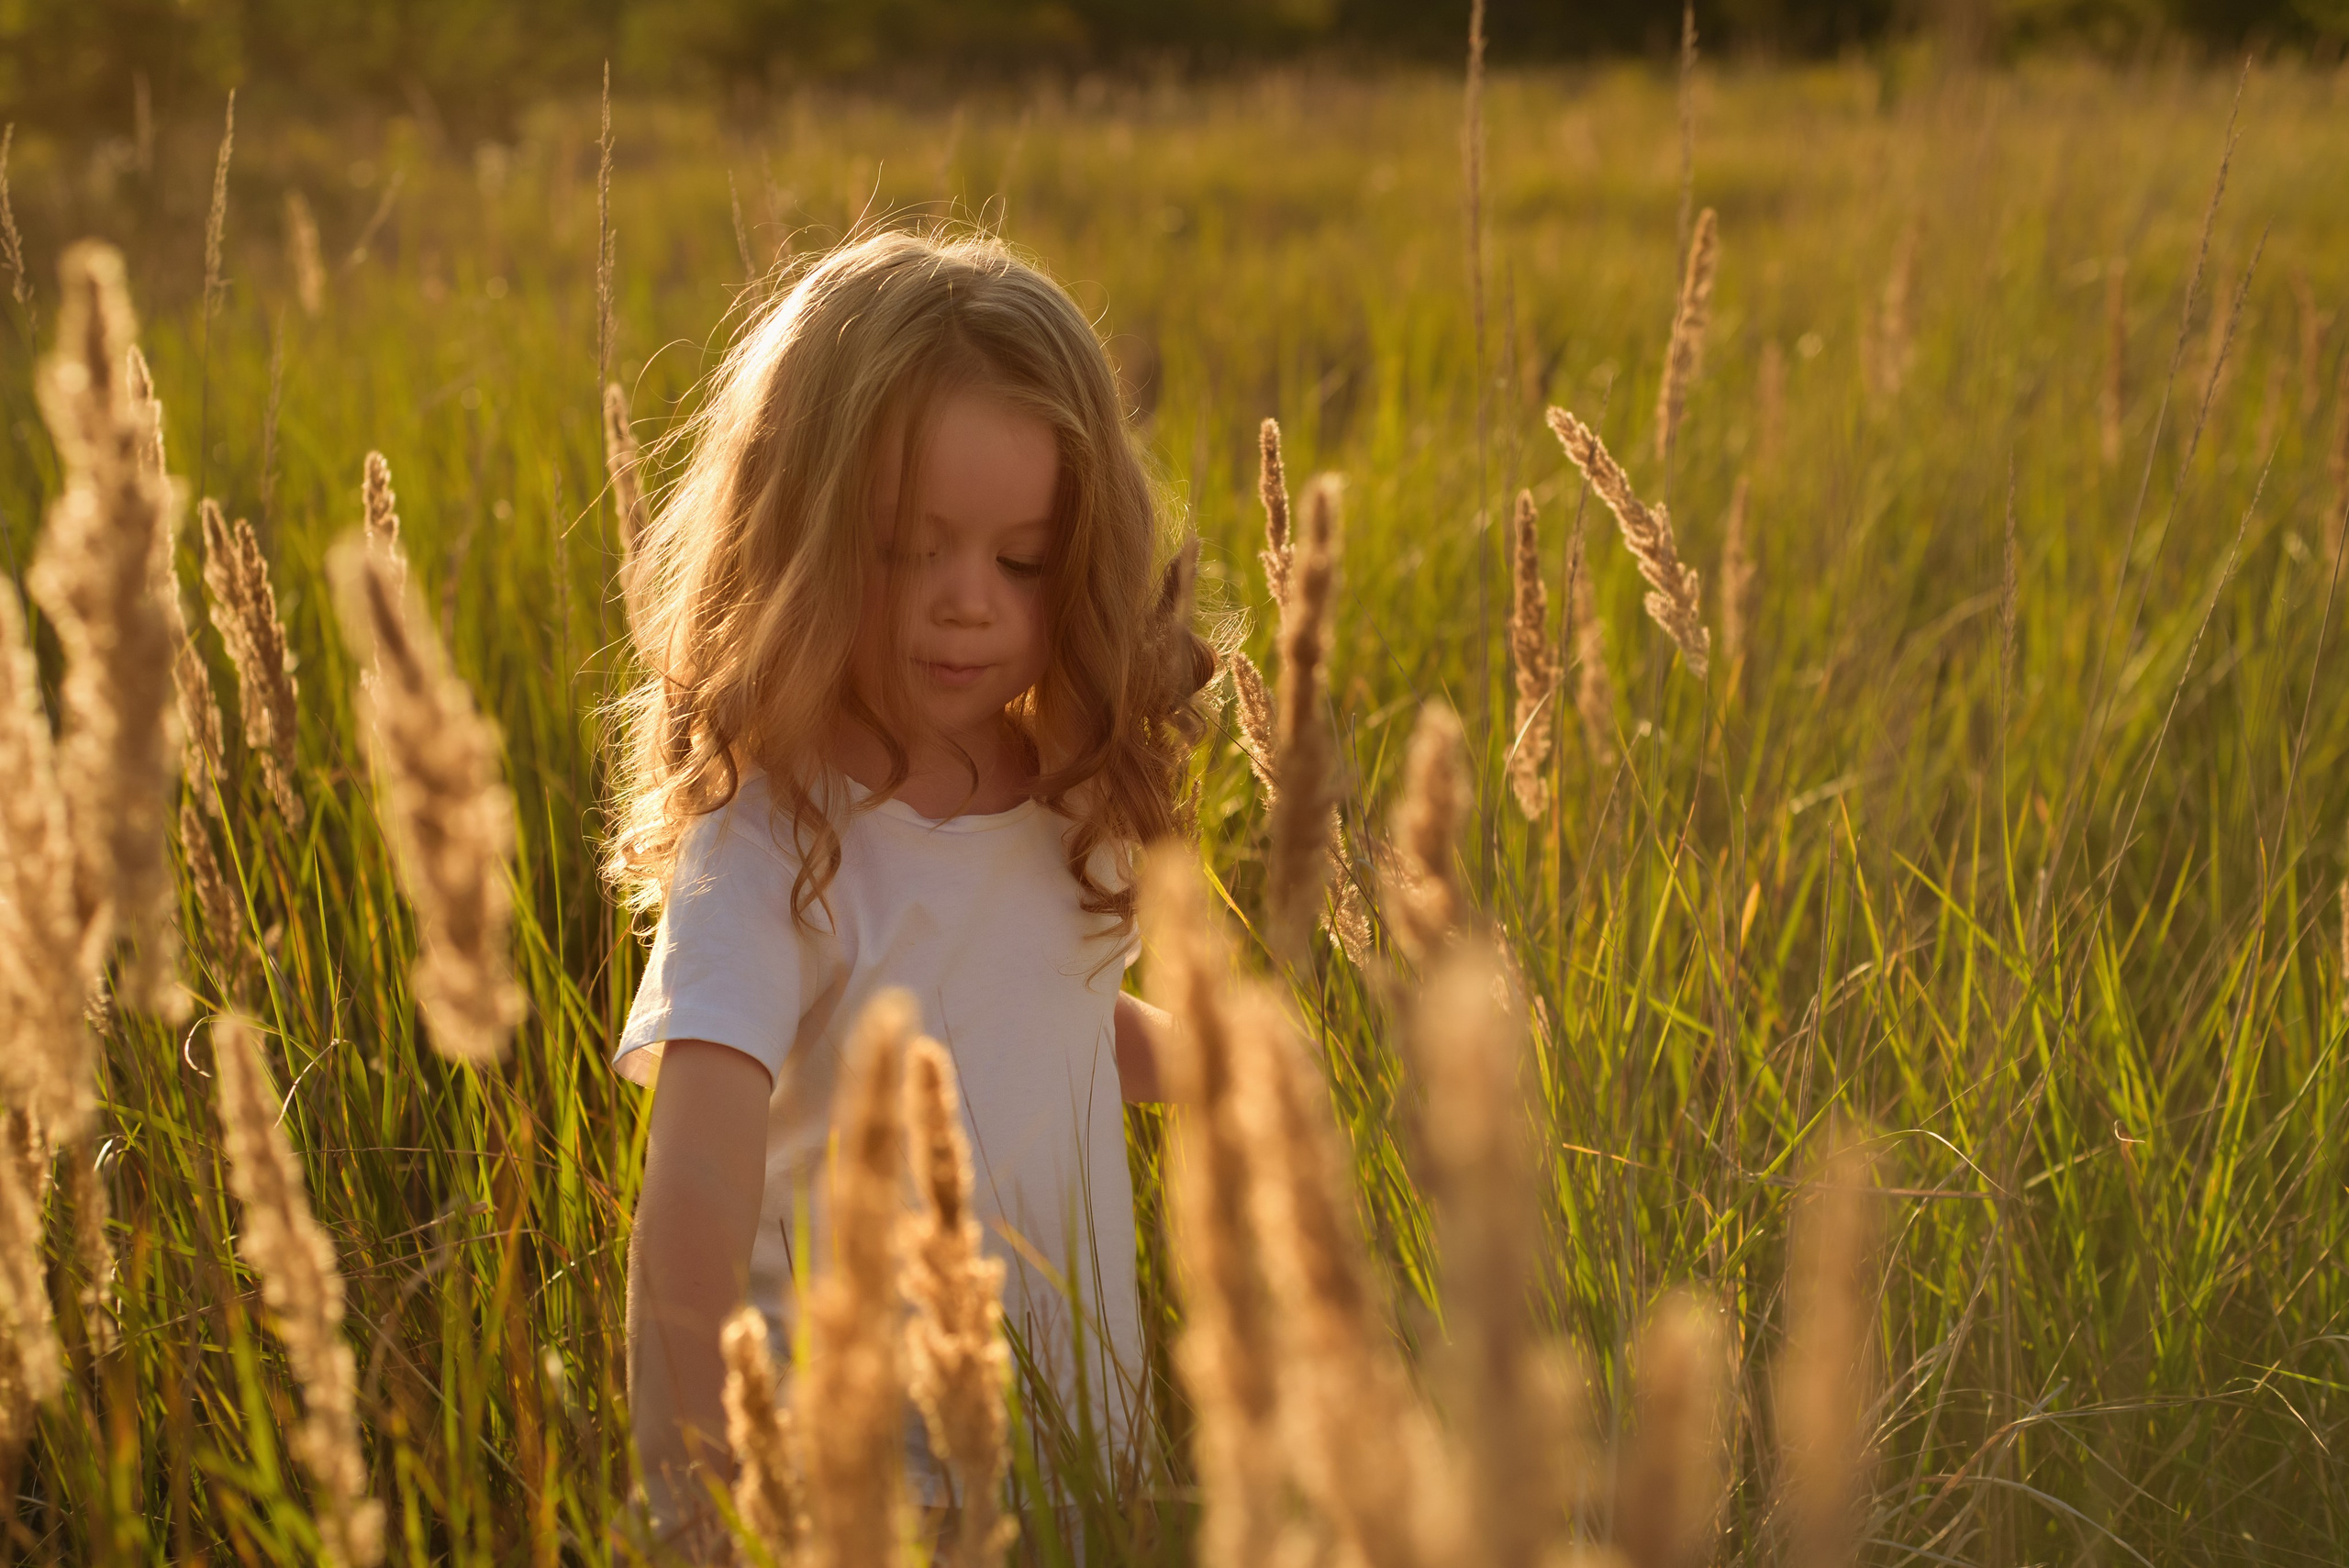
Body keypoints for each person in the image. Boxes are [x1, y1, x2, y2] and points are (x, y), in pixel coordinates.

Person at [602, 226, 1214, 1547]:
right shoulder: (774, 838)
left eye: (1020, 561)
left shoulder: (1068, 797)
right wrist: (693, 1481)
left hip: (1071, 1444)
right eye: (903, 550)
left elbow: (1042, 1016)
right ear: (797, 537)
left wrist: (1230, 1064)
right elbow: (698, 1171)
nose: (966, 603)